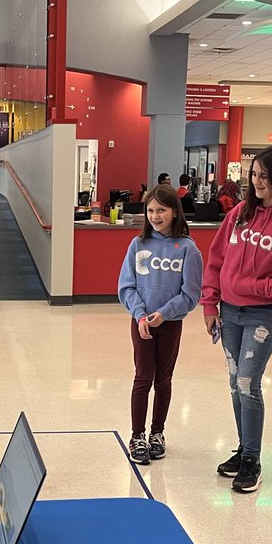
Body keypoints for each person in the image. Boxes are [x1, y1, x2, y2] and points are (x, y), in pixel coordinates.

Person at [201, 146, 272, 492]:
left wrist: (249, 287)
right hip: (229, 313)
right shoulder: (239, 214)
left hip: (263, 315)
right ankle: (243, 448)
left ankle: (252, 459)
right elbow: (216, 260)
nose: (257, 181)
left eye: (265, 176)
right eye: (254, 174)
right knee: (235, 382)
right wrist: (210, 304)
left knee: (249, 383)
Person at [117, 185, 202, 464]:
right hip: (141, 323)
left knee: (163, 380)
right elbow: (127, 286)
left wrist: (165, 313)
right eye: (150, 210)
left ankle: (157, 433)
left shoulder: (188, 249)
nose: (155, 216)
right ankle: (137, 435)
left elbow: (191, 294)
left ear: (174, 212)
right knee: (143, 378)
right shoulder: (138, 245)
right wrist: (140, 314)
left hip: (170, 323)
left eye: (161, 210)